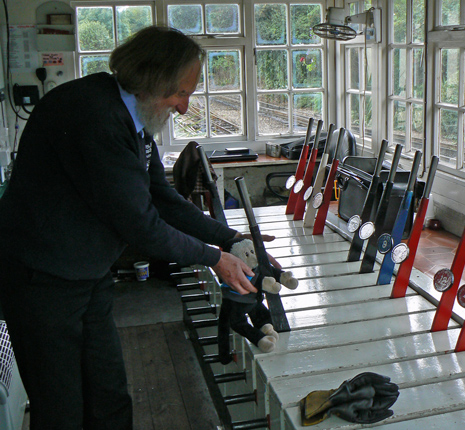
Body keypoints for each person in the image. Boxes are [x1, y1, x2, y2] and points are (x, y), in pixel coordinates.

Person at [0, 26, 272, 429]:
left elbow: (160, 197)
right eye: (180, 93)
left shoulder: (133, 115)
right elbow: (142, 225)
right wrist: (216, 259)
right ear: (150, 81)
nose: (184, 107)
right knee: (61, 407)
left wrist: (231, 238)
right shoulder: (94, 118)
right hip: (41, 279)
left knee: (108, 392)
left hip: (86, 273)